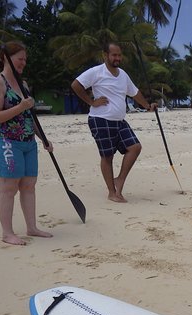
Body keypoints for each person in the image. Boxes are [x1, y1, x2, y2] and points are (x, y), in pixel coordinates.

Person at [0, 41, 53, 246]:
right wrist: (21, 106)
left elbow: (30, 117)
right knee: (9, 187)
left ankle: (31, 227)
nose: (23, 63)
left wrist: (44, 139)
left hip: (28, 141)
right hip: (6, 141)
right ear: (7, 58)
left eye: (25, 59)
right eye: (20, 58)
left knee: (29, 185)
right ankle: (7, 233)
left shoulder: (23, 84)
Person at [71, 42, 156, 203]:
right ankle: (112, 192)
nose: (117, 58)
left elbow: (134, 92)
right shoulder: (96, 72)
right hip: (100, 120)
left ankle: (120, 180)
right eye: (114, 55)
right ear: (106, 55)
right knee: (107, 156)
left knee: (135, 147)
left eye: (119, 55)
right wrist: (91, 102)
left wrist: (147, 106)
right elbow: (76, 85)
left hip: (119, 121)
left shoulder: (123, 74)